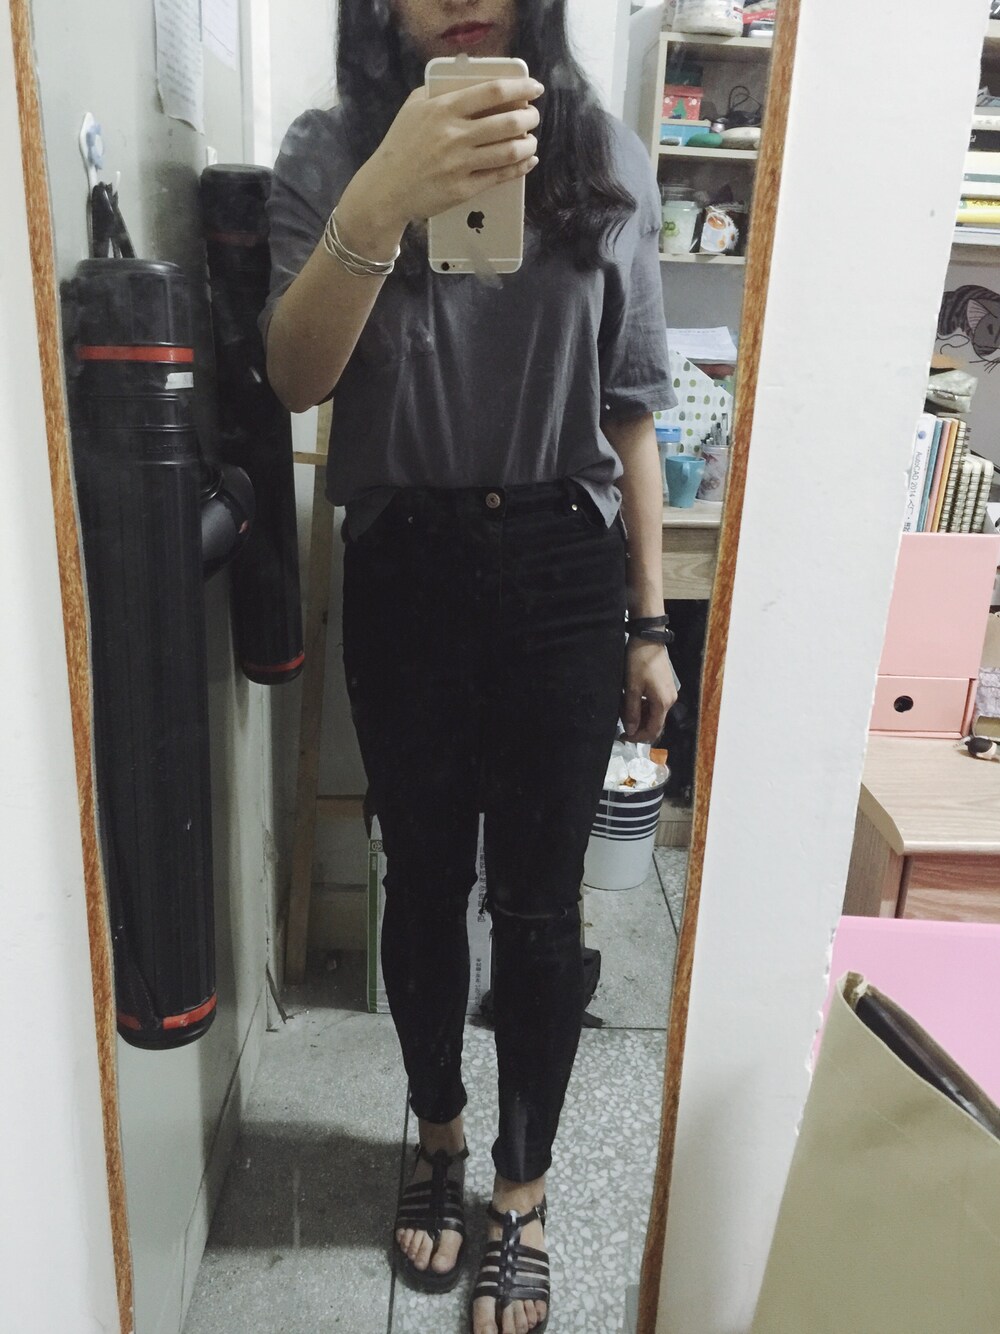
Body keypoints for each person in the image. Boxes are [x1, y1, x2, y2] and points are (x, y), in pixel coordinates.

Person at [262, 3, 678, 1331]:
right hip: (407, 562)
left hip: (563, 563)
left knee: (543, 907)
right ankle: (437, 1133)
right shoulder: (331, 150)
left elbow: (630, 412)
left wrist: (651, 622)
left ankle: (523, 1189)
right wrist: (383, 193)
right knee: (427, 879)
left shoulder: (603, 153)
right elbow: (294, 377)